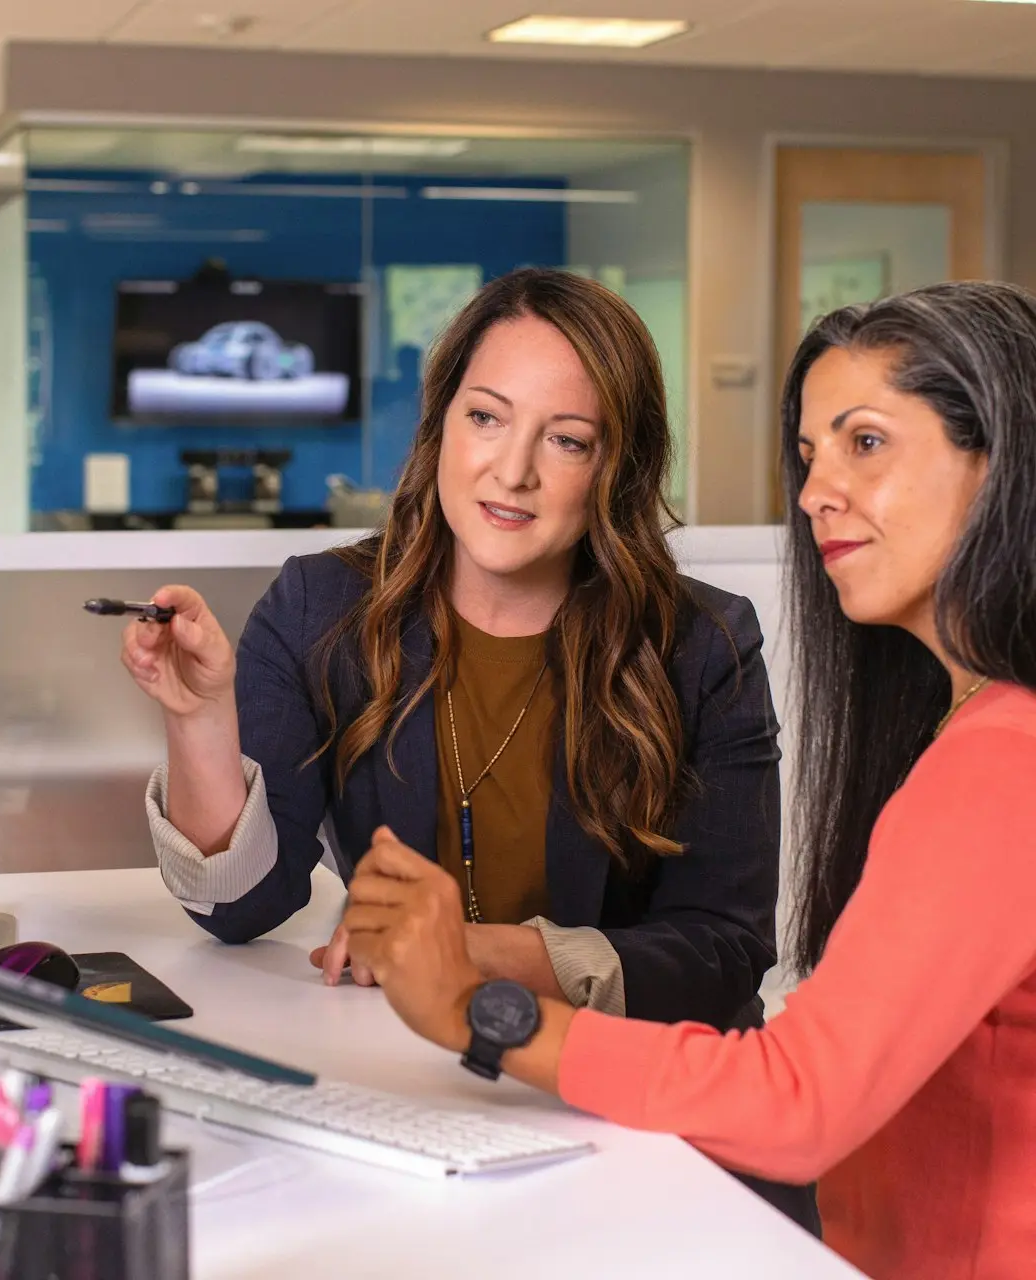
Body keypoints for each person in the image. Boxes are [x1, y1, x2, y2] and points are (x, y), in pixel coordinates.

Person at [342, 280, 1036, 1280]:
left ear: (1000, 461)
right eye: (806, 456)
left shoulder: (1001, 760)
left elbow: (795, 1102)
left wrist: (475, 1010)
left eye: (865, 443)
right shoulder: (971, 724)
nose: (813, 493)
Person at [123, 267, 815, 1228]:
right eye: (487, 418)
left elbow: (725, 950)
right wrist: (199, 716)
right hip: (423, 1102)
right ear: (441, 423)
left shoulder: (703, 643)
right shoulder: (321, 608)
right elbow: (244, 907)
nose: (513, 470)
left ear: (617, 467)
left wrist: (480, 959)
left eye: (566, 441)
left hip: (641, 1120)